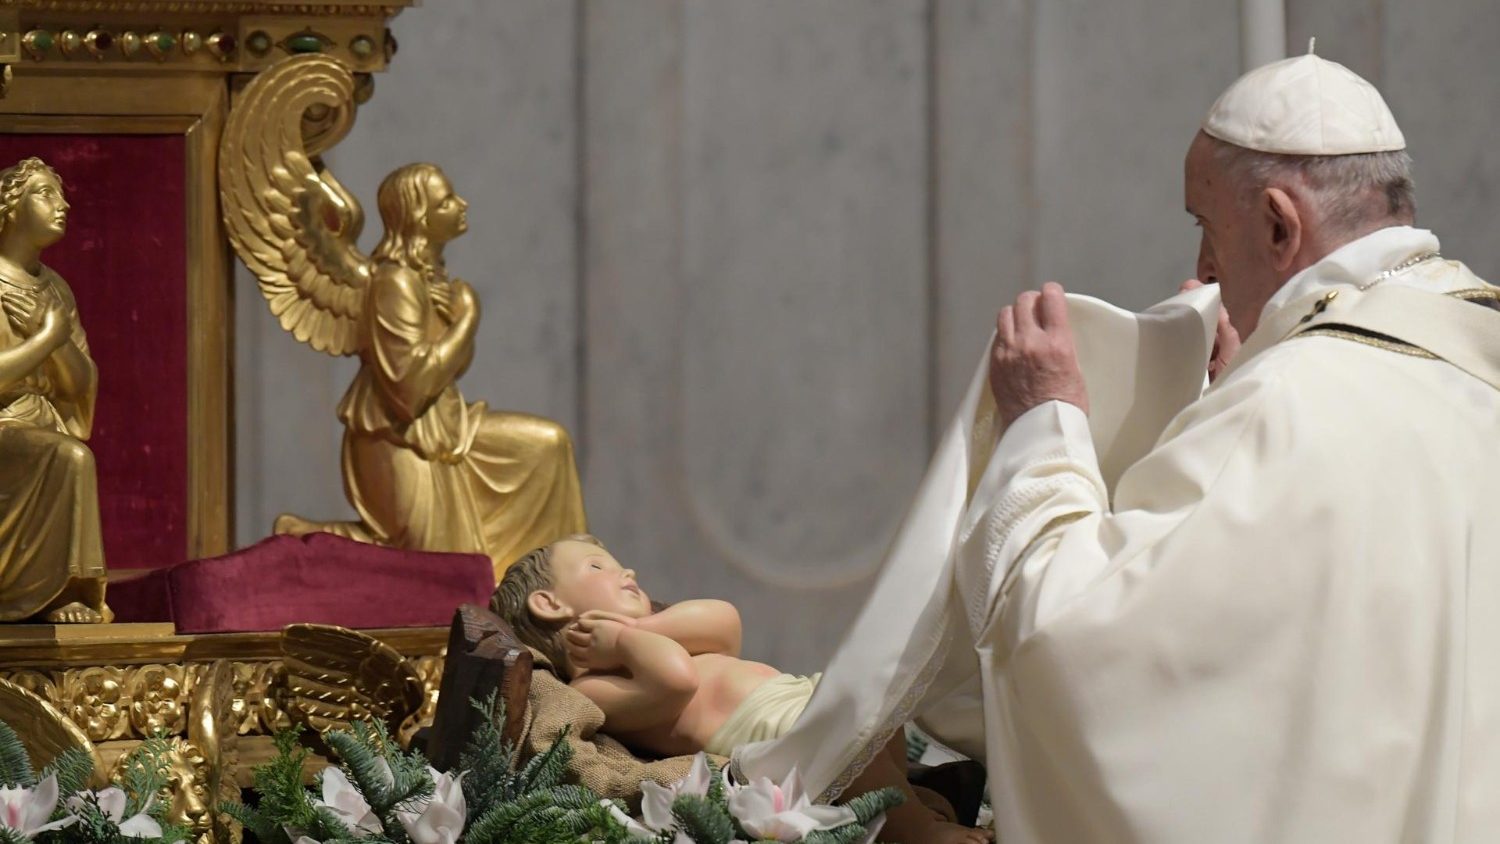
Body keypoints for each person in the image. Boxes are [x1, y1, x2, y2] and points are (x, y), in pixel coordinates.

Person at [966, 48, 1500, 841]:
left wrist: (1045, 421)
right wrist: (1234, 384)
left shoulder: (1284, 403)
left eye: (1205, 228)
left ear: (1280, 224)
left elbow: (1064, 641)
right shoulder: (1470, 363)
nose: (1202, 267)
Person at [492, 534, 993, 844]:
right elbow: (676, 681)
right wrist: (624, 641)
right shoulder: (595, 687)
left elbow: (725, 622)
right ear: (550, 604)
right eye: (597, 566)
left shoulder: (658, 633)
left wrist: (637, 630)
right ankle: (921, 831)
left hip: (806, 699)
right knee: (854, 749)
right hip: (775, 740)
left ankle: (906, 810)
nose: (627, 571)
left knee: (881, 700)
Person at [0, 157, 110, 624]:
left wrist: (58, 342)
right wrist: (45, 340)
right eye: (44, 193)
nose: (62, 204)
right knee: (71, 458)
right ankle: (63, 590)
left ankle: (62, 592)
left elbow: (80, 384)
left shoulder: (57, 289)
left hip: (39, 423)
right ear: (9, 208)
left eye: (61, 195)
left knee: (66, 451)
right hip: (4, 424)